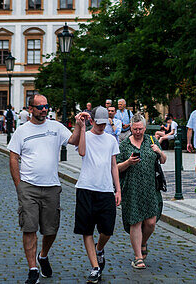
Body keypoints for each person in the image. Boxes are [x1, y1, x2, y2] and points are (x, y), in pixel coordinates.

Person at [8, 94, 72, 284]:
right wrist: (19, 185)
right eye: (40, 107)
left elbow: (74, 141)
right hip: (28, 187)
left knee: (51, 229)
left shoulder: (57, 127)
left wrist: (81, 125)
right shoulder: (22, 131)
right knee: (29, 228)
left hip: (52, 186)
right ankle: (33, 269)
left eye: (46, 106)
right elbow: (13, 157)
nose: (44, 109)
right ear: (31, 109)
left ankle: (43, 255)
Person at [71, 107, 121, 284]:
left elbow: (113, 165)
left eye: (104, 124)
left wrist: (118, 189)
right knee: (86, 230)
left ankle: (99, 249)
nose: (101, 127)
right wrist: (82, 129)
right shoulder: (87, 135)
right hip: (86, 187)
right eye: (98, 124)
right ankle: (94, 268)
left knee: (107, 229)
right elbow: (82, 152)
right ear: (92, 121)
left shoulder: (110, 139)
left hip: (106, 188)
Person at [116, 115, 165, 270]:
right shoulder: (124, 145)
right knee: (135, 221)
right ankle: (138, 257)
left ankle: (143, 242)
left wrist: (159, 151)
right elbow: (115, 168)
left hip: (150, 188)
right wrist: (128, 162)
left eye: (140, 129)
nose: (137, 131)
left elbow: (163, 160)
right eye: (135, 129)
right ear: (131, 128)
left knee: (151, 222)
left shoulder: (152, 141)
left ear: (145, 128)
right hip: (131, 188)